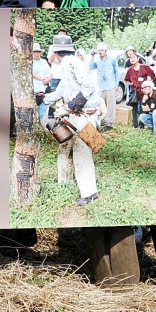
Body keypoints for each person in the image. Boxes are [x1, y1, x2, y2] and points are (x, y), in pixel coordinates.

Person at [43, 34, 101, 206]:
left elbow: (88, 85)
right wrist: (43, 99)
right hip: (77, 114)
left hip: (85, 114)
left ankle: (90, 193)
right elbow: (61, 90)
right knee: (70, 148)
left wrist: (78, 101)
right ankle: (66, 183)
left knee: (82, 152)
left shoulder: (72, 62)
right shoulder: (66, 65)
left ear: (56, 52)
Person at [91, 42, 118, 130]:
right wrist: (92, 56)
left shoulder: (112, 59)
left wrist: (116, 84)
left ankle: (110, 124)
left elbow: (116, 72)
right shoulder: (97, 60)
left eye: (102, 50)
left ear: (106, 51)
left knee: (110, 105)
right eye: (99, 50)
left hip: (110, 85)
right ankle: (103, 122)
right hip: (101, 86)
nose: (100, 52)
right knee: (102, 105)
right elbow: (90, 67)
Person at [32, 43, 53, 122]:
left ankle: (39, 121)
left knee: (44, 106)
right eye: (35, 52)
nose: (37, 54)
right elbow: (32, 74)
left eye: (38, 52)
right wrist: (43, 79)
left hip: (45, 87)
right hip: (35, 87)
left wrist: (48, 79)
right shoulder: (29, 62)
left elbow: (50, 73)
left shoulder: (44, 61)